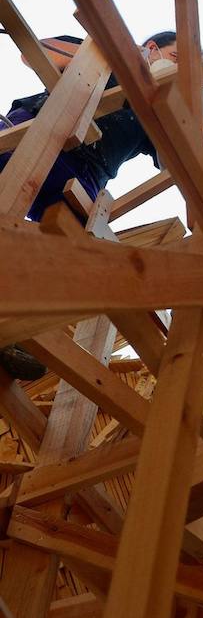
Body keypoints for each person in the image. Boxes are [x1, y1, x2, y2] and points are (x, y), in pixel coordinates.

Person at [0, 30, 178, 380]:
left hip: (82, 177)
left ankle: (11, 325)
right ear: (152, 48)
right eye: (176, 60)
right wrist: (107, 56)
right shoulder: (103, 51)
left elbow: (175, 161)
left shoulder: (155, 107)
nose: (179, 73)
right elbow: (34, 56)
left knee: (75, 255)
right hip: (34, 129)